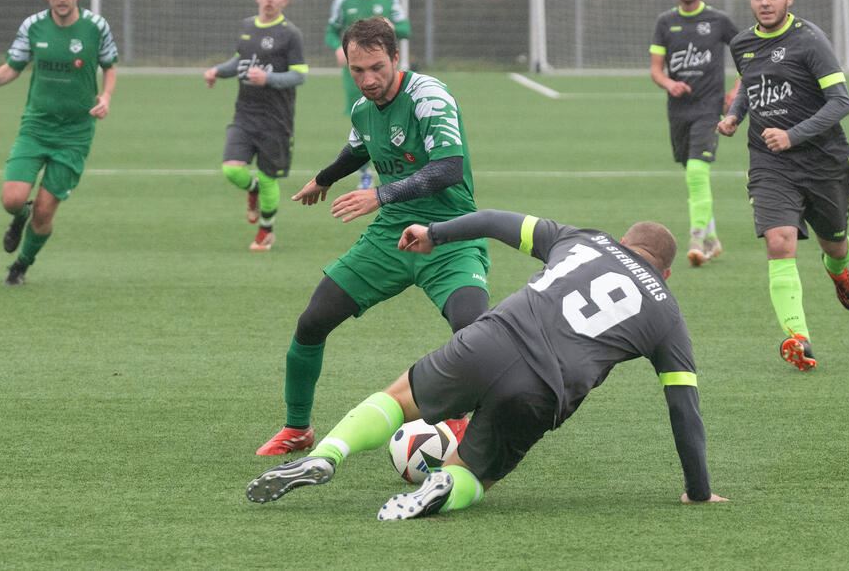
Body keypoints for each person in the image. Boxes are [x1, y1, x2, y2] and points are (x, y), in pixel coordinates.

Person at [247, 209, 728, 519]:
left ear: (624, 241)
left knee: (397, 399)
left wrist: (434, 232)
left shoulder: (582, 239)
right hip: (546, 389)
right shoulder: (667, 314)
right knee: (476, 474)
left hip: (491, 339)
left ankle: (326, 455)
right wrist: (699, 490)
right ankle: (441, 488)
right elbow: (684, 408)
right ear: (665, 272)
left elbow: (496, 221)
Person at [255, 17, 489, 456]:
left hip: (448, 235)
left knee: (473, 332)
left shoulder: (429, 96)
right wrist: (323, 179)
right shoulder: (364, 109)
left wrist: (379, 194)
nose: (367, 79)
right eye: (357, 70)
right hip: (390, 238)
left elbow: (448, 169)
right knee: (313, 321)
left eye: (377, 67)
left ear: (396, 58)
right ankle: (297, 428)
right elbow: (359, 147)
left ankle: (465, 425)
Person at [718, 0, 849, 372]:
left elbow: (841, 102)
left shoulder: (810, 41)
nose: (765, 2)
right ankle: (798, 337)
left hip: (823, 162)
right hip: (769, 162)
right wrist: (734, 115)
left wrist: (793, 134)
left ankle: (838, 270)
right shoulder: (742, 44)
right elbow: (750, 83)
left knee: (835, 244)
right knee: (780, 240)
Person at [0, 0, 118, 285]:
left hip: (75, 133)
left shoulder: (96, 26)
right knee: (12, 200)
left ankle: (21, 265)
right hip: (37, 126)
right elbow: (12, 68)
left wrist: (106, 97)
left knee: (45, 211)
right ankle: (20, 217)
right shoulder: (32, 26)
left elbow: (109, 65)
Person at [205, 0, 308, 251]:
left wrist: (269, 79)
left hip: (276, 119)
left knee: (267, 177)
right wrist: (218, 70)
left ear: (284, 1)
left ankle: (266, 230)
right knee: (231, 169)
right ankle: (252, 190)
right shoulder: (247, 26)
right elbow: (240, 60)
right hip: (244, 114)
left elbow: (299, 76)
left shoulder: (291, 34)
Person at [649, 0, 740, 266]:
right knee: (691, 175)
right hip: (678, 112)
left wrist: (736, 92)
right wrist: (669, 83)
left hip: (709, 109)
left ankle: (697, 239)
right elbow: (655, 70)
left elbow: (749, 57)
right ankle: (714, 241)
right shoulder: (665, 23)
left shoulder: (719, 21)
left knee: (697, 173)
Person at [325, 0, 411, 190]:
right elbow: (331, 31)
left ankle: (401, 166)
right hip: (356, 74)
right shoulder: (343, 1)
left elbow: (405, 29)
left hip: (386, 73)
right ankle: (365, 173)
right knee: (363, 120)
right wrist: (337, 48)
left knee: (396, 117)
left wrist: (390, 27)